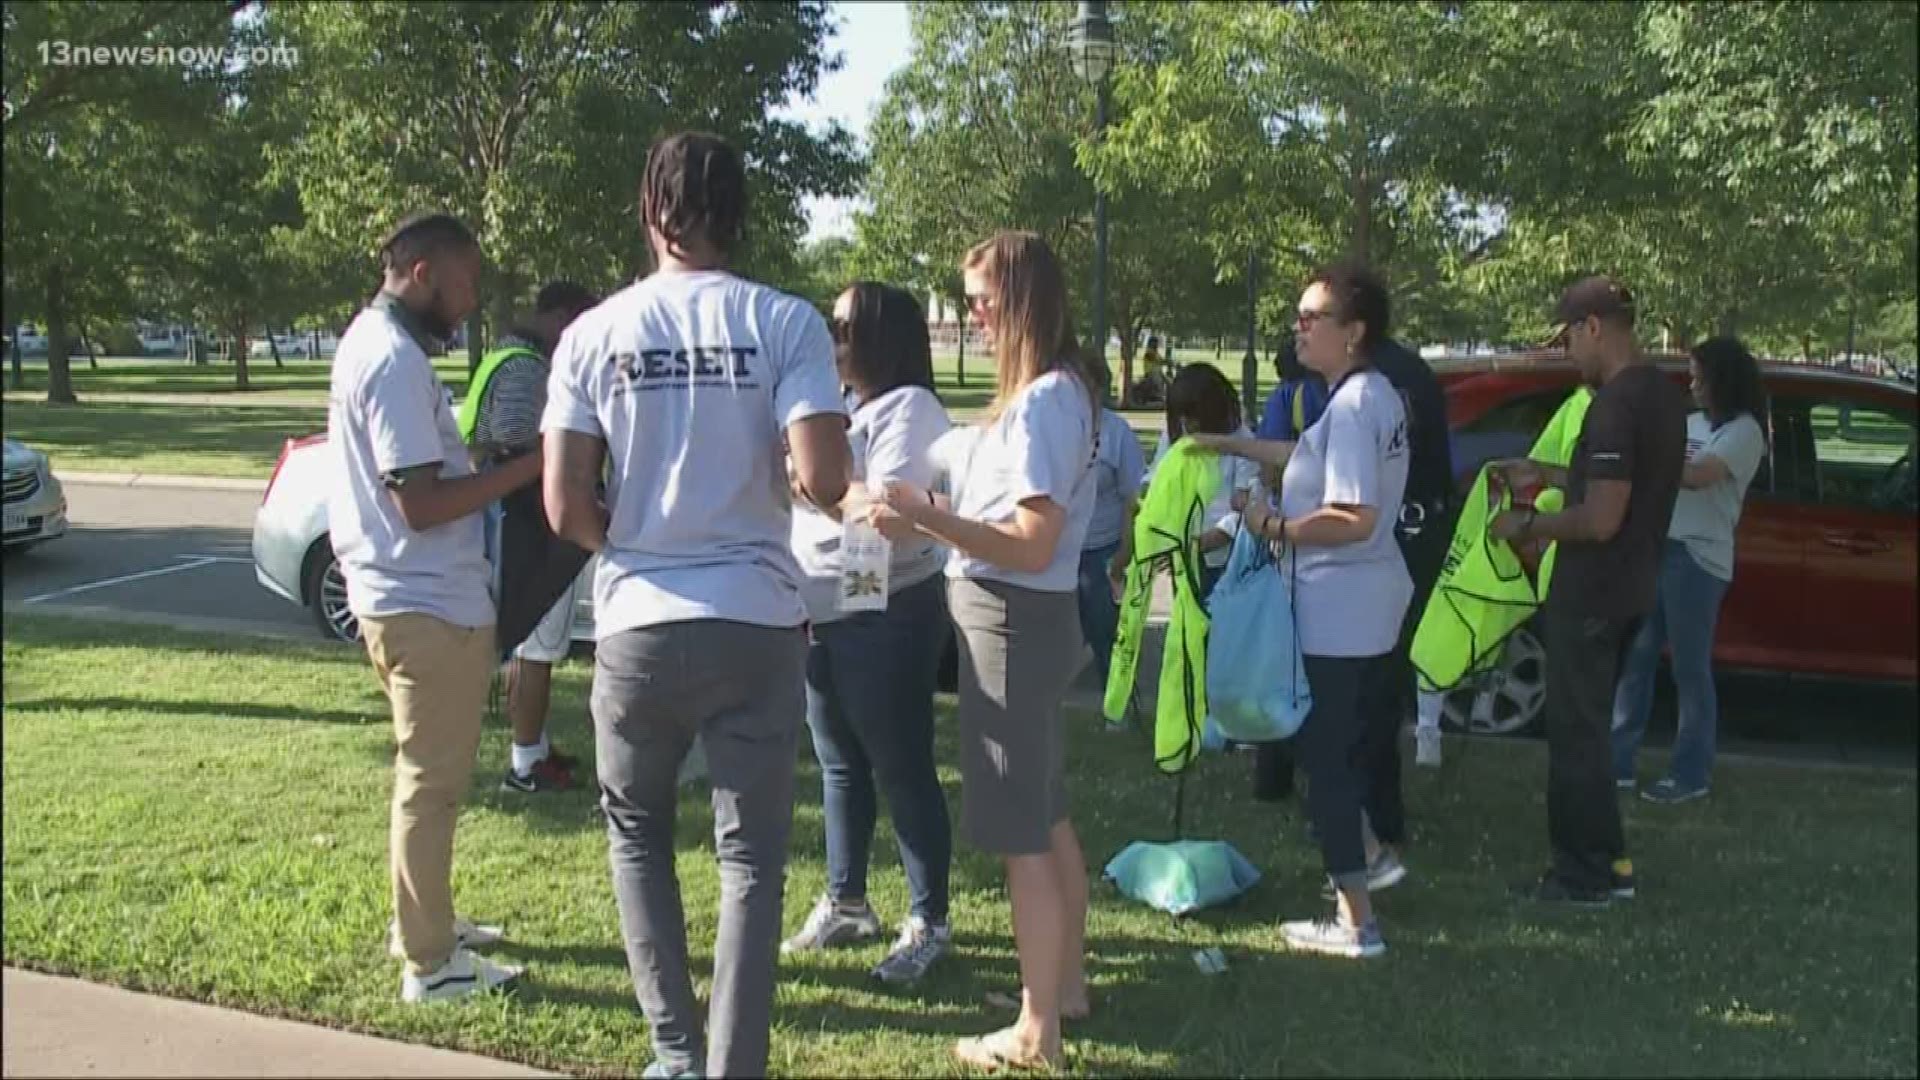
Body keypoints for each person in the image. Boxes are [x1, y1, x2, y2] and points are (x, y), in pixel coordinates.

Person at [541, 132, 850, 1078]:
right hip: (756, 618)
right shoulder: (786, 321)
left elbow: (563, 505)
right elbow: (826, 477)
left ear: (649, 212)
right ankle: (732, 1066)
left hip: (636, 617)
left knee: (638, 838)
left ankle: (673, 1054)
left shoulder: (592, 333)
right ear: (740, 214)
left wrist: (635, 541)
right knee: (750, 859)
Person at [868, 230, 1099, 1071]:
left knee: (1022, 836)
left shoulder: (1042, 402)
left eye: (981, 299)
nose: (970, 314)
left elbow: (1031, 542)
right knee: (1047, 814)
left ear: (1022, 298)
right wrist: (932, 506)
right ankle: (1063, 989)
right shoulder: (1061, 391)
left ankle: (1039, 1031)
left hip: (1011, 619)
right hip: (1025, 622)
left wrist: (924, 517)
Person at [329, 211, 535, 1002]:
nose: (470, 300)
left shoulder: (381, 346)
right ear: (423, 273)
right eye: (465, 282)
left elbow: (421, 473)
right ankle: (431, 964)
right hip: (423, 604)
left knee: (430, 778)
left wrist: (480, 461)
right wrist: (529, 470)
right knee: (431, 782)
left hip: (408, 598)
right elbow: (420, 502)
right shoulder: (387, 357)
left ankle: (428, 924)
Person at [1229, 260, 1412, 959]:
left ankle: (1356, 923)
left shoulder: (1359, 403)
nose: (1298, 327)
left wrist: (1269, 525)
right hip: (1355, 603)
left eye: (1314, 317)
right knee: (1328, 750)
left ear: (1355, 330)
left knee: (1324, 760)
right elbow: (1307, 456)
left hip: (1341, 605)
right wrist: (1225, 444)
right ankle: (1367, 856)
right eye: (1298, 316)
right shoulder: (1359, 398)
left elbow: (1354, 515)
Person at [1489, 275, 1687, 907]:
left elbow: (1601, 519)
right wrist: (1547, 473)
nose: (1568, 354)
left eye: (1570, 338)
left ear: (1594, 327)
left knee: (1575, 736)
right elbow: (1626, 481)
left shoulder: (1613, 406)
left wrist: (1527, 524)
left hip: (1594, 591)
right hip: (1633, 587)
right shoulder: (1660, 394)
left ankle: (1580, 876)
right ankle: (1614, 864)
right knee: (1594, 733)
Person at [782, 282, 958, 986]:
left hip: (884, 609)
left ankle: (930, 919)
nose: (833, 339)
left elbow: (879, 519)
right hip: (828, 610)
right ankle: (848, 899)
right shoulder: (849, 409)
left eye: (844, 326)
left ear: (882, 337)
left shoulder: (911, 409)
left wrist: (808, 483)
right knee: (839, 763)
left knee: (900, 764)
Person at [1610, 337, 1767, 804]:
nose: (1693, 385)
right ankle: (1617, 762)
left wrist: (1647, 453)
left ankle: (1690, 774)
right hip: (1660, 550)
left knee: (1689, 671)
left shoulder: (1744, 432)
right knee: (1635, 661)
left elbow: (1699, 477)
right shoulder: (1692, 422)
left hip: (1699, 561)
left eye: (1700, 377)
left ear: (1724, 379)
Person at [459, 279, 601, 793]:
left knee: (530, 643)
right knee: (539, 645)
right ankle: (526, 764)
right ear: (560, 316)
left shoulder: (508, 356)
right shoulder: (525, 368)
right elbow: (518, 443)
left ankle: (533, 746)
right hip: (528, 521)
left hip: (513, 515)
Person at [1150, 363, 1261, 602]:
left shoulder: (1241, 441)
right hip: (1186, 555)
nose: (1188, 424)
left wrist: (1216, 536)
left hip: (1227, 558)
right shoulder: (1174, 438)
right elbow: (1157, 483)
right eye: (1182, 417)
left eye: (1194, 416)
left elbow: (1246, 503)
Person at [1077, 349, 1147, 703]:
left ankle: (1118, 702)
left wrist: (1124, 550)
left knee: (1106, 629)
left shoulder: (1117, 433)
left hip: (1102, 547)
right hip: (1055, 549)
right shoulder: (1051, 429)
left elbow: (1133, 498)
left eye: (1087, 386)